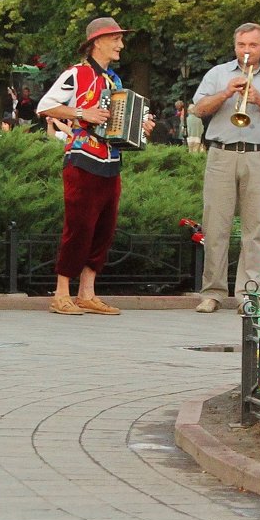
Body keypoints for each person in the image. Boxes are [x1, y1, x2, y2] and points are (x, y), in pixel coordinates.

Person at [37, 16, 155, 316]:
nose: (121, 44)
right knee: (78, 227)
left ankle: (87, 293)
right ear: (97, 42)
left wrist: (141, 126)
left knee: (104, 229)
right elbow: (45, 106)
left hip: (111, 160)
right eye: (115, 39)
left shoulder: (114, 80)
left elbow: (117, 120)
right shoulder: (76, 74)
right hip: (82, 159)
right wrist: (81, 112)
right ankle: (61, 293)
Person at [192, 23, 260, 314]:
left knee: (255, 230)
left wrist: (259, 98)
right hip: (221, 154)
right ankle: (212, 292)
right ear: (235, 46)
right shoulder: (218, 75)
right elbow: (198, 109)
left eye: (252, 45)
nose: (246, 51)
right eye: (241, 45)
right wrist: (226, 93)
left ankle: (247, 295)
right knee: (215, 226)